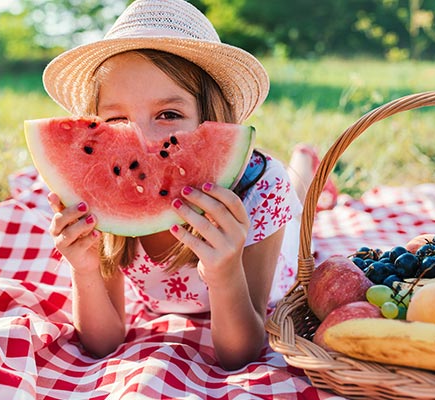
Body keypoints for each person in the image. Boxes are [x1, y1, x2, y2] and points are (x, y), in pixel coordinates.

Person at [41, 0, 314, 371]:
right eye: (117, 120)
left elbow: (242, 354)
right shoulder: (96, 196)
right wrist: (84, 270)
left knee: (298, 195)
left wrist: (224, 272)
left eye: (168, 115)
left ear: (210, 117)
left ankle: (305, 165)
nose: (143, 140)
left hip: (263, 220)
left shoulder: (262, 190)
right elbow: (102, 343)